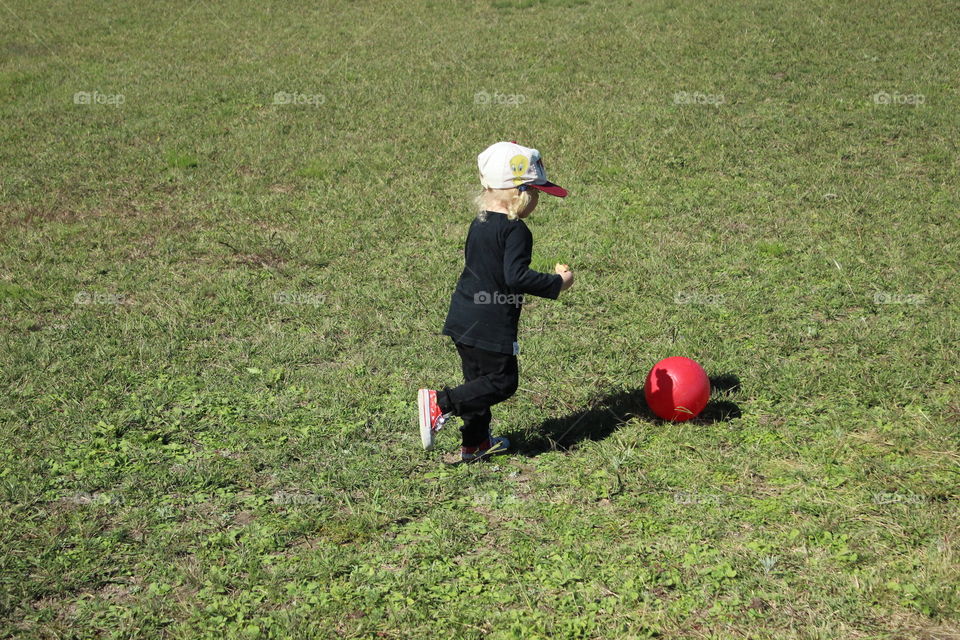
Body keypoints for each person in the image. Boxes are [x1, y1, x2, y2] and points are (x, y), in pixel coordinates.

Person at [418, 141, 574, 462]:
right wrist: (557, 283)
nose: (538, 200)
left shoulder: (481, 222)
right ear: (520, 194)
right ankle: (440, 402)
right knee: (502, 382)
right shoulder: (516, 230)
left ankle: (475, 444)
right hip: (491, 324)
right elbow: (515, 277)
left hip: (464, 316)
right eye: (536, 193)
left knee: (478, 385)